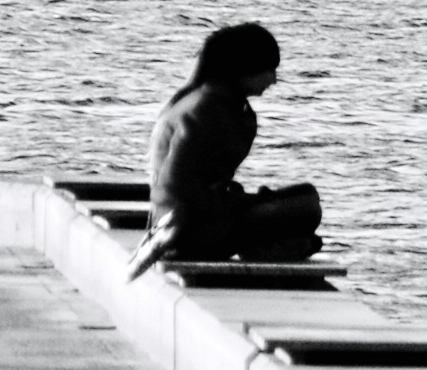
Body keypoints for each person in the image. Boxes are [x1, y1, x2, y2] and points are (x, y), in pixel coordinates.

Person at [137, 21, 321, 268]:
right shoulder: (203, 110)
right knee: (307, 209)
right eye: (269, 70)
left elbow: (208, 180)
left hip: (209, 219)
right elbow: (174, 191)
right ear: (245, 68)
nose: (274, 80)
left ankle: (269, 244)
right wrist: (246, 203)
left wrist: (241, 199)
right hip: (186, 234)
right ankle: (266, 246)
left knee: (306, 195)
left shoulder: (226, 106)